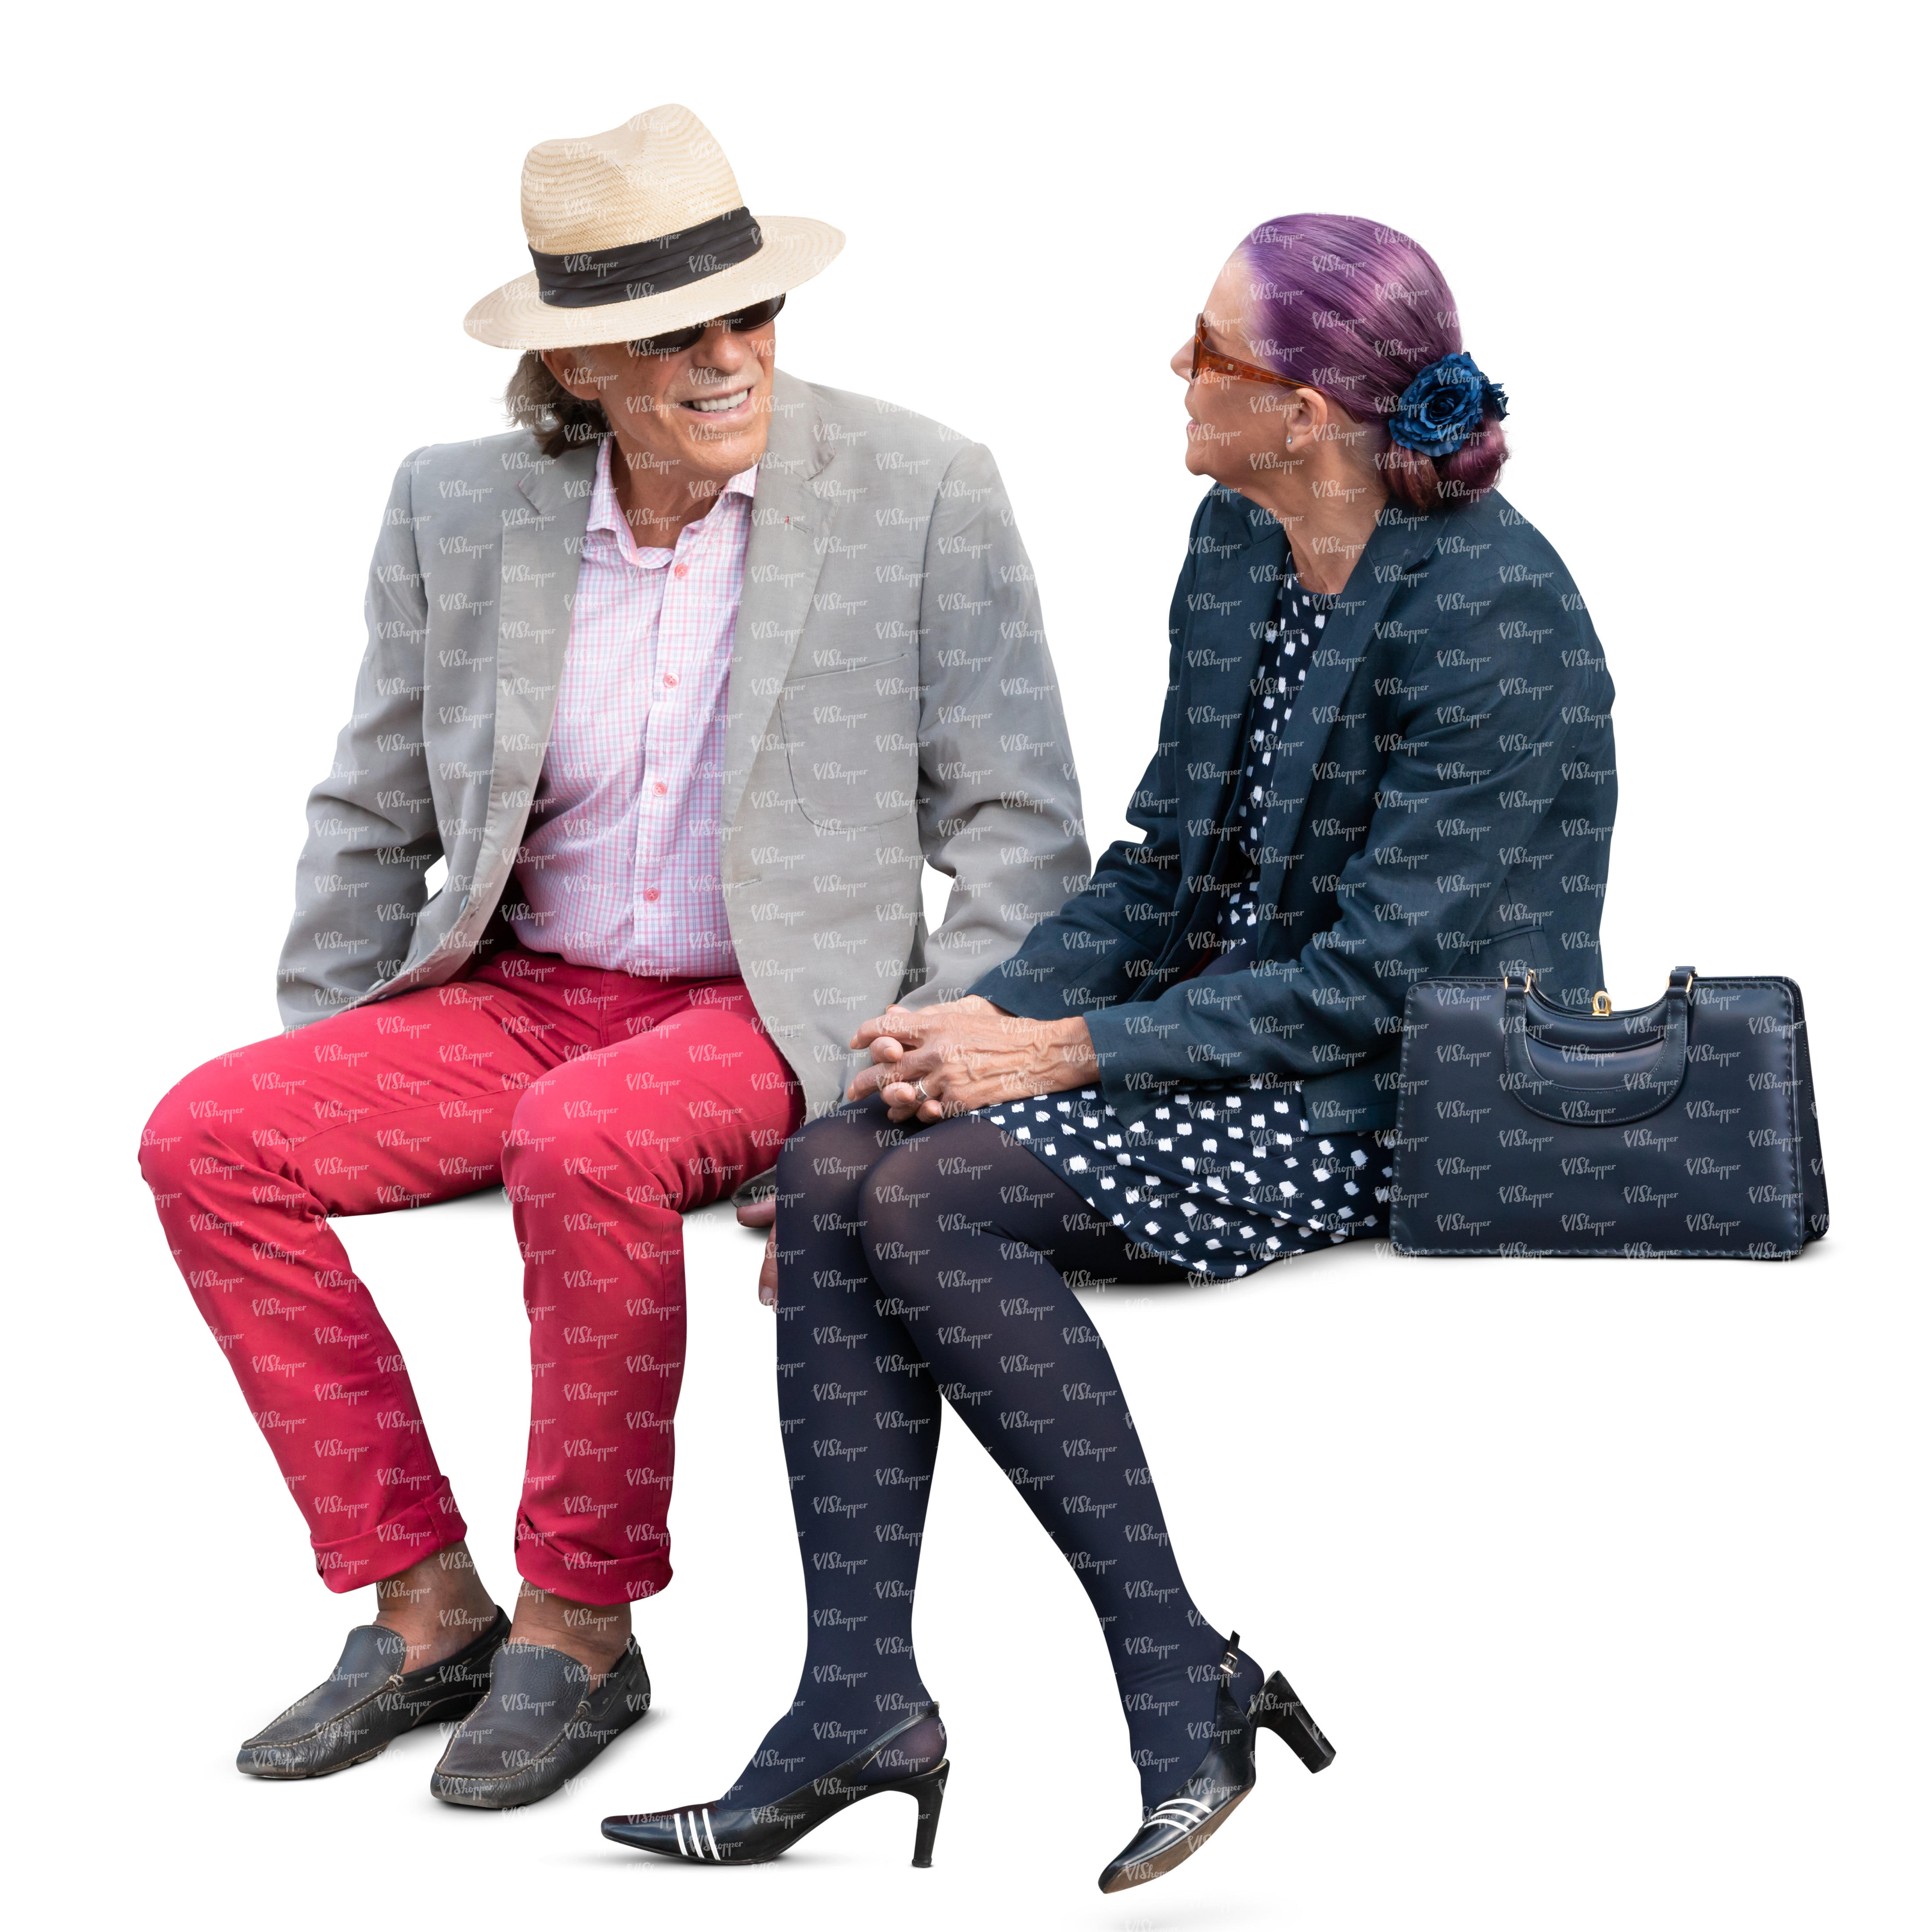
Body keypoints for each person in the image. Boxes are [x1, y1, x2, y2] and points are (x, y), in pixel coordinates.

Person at [603, 213, 1616, 1891]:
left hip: (1395, 1089)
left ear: (1303, 410)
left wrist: (1064, 1052)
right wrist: (977, 1023)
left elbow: (1381, 983)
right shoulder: (1238, 538)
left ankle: (1176, 1675)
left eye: (1209, 352)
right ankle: (857, 1701)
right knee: (843, 1153)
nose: (1176, 369)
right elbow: (1158, 866)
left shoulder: (1493, 610)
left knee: (925, 1199)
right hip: (1215, 1037)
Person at [135, 105, 1086, 1808]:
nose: (731, 357)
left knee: (581, 1142)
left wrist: (915, 1096)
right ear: (577, 365)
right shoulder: (453, 506)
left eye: (751, 312)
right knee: (208, 1135)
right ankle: (423, 1605)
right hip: (516, 988)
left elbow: (1020, 830)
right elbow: (373, 803)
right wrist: (329, 1053)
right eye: (675, 333)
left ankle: (579, 1629)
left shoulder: (922, 486)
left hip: (766, 1003)